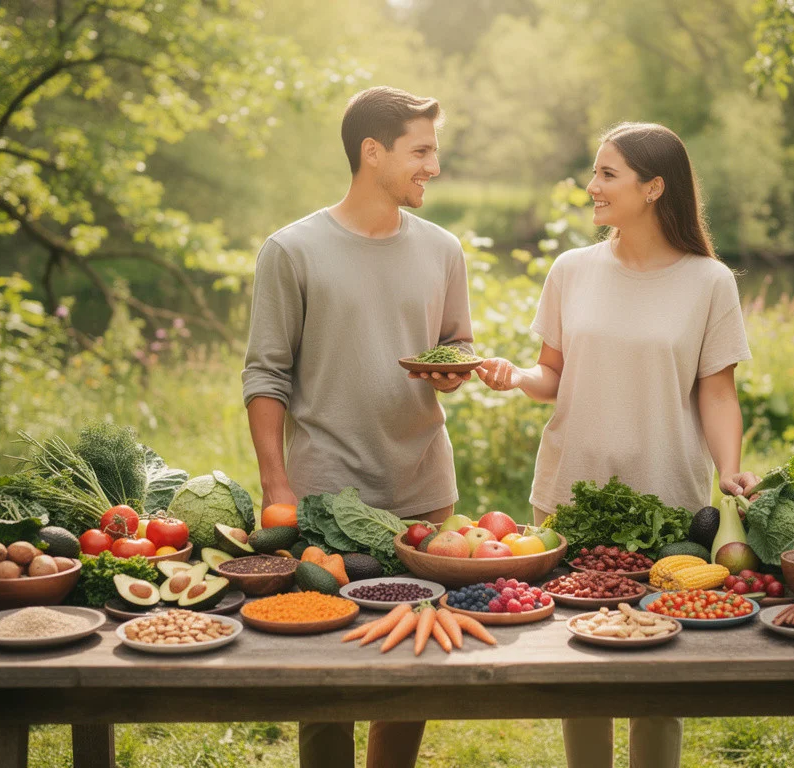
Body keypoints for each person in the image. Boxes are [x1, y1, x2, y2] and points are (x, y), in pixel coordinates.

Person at [476, 122, 759, 768]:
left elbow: (717, 393)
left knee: (659, 675)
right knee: (584, 665)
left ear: (654, 187)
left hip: (666, 502)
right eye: (594, 172)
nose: (592, 186)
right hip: (570, 495)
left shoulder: (709, 282)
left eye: (608, 174)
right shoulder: (572, 271)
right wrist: (515, 377)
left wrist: (731, 470)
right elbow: (552, 374)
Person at [241, 85, 473, 768]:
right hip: (326, 495)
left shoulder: (443, 249)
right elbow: (265, 375)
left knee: (411, 667)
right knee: (327, 675)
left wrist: (453, 368)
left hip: (423, 490)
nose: (433, 166)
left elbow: (456, 341)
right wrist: (276, 484)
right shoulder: (291, 250)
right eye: (420, 151)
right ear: (372, 152)